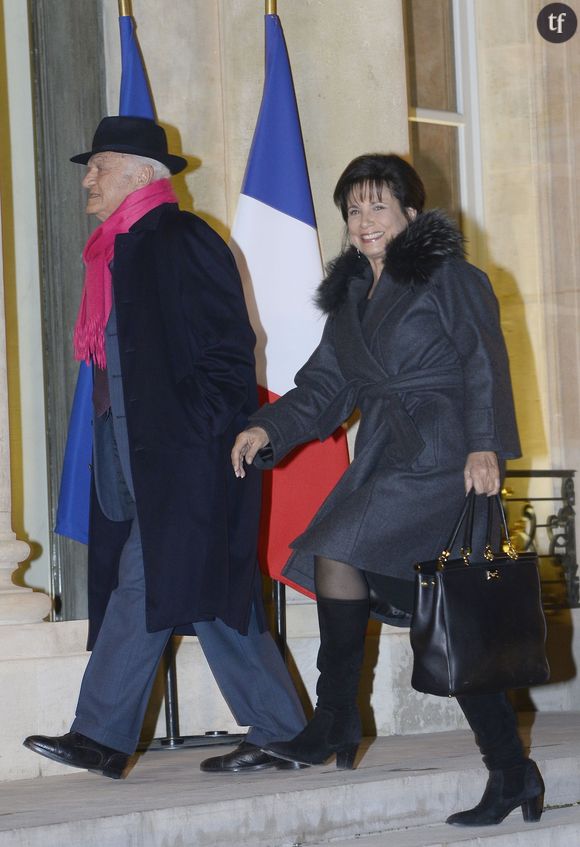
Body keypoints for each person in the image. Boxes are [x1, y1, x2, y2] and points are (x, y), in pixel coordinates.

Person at [231, 153, 545, 826]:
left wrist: (486, 443)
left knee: (339, 548)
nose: (364, 220)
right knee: (451, 619)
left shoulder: (451, 275)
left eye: (378, 205)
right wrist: (267, 428)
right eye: (352, 209)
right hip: (386, 454)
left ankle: (337, 716)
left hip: (444, 453)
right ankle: (511, 770)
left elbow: (482, 357)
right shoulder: (350, 298)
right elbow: (323, 387)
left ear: (409, 212)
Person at [24, 115, 305, 778]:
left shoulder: (183, 238)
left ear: (143, 174)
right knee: (203, 598)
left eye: (100, 165)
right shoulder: (112, 250)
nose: (88, 178)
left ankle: (100, 735)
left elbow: (230, 351)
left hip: (187, 457)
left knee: (145, 583)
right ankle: (287, 729)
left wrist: (201, 434)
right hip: (134, 458)